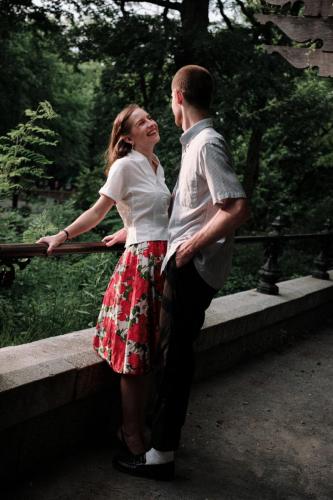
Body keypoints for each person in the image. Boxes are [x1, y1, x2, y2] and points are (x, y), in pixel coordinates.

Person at [112, 65, 249, 480]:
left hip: (191, 268)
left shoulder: (206, 143)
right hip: (183, 264)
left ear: (177, 97)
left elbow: (237, 207)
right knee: (173, 360)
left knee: (174, 363)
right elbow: (188, 208)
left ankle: (161, 456)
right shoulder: (192, 146)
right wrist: (131, 227)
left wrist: (189, 246)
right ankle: (161, 446)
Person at [37, 104, 171, 456]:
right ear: (127, 137)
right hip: (142, 265)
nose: (151, 122)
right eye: (142, 121)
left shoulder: (157, 166)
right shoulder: (125, 166)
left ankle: (139, 424)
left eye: (149, 117)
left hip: (163, 262)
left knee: (153, 353)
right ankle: (129, 432)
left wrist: (128, 227)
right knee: (136, 353)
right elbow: (98, 211)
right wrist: (61, 235)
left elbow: (153, 211)